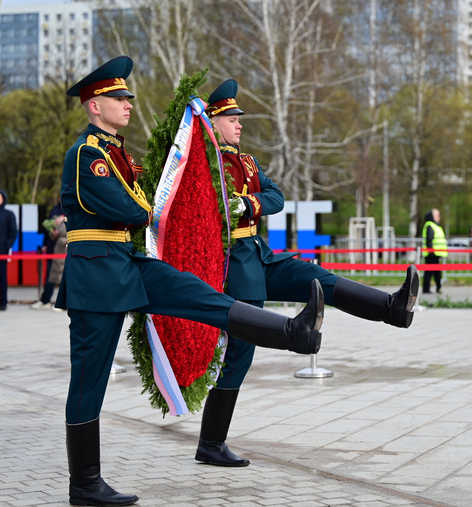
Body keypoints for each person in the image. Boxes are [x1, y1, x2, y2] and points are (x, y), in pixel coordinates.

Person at [58, 57, 325, 507]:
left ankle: (292, 333)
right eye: (118, 99)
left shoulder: (116, 152)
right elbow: (131, 208)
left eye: (128, 98)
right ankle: (84, 485)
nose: (128, 105)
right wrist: (149, 208)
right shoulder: (88, 155)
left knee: (199, 295)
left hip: (126, 260)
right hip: (96, 273)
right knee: (89, 381)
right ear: (93, 106)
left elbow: (141, 202)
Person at [194, 79, 419, 469]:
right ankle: (211, 443)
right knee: (240, 353)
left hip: (260, 253)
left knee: (320, 280)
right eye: (231, 118)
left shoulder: (246, 163)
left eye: (238, 117)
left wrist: (248, 203)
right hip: (234, 261)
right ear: (212, 123)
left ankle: (392, 307)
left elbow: (276, 197)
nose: (239, 123)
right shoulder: (203, 167)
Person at [32, 202, 65, 309]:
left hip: (64, 251)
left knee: (64, 278)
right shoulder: (55, 209)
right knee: (50, 277)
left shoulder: (74, 207)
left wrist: (64, 218)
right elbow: (48, 229)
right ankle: (45, 301)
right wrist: (45, 244)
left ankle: (63, 303)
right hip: (52, 249)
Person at [421, 209, 446, 294]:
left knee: (437, 272)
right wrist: (431, 251)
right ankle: (426, 289)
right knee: (429, 272)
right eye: (437, 215)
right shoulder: (430, 225)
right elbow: (429, 240)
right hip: (432, 253)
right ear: (432, 216)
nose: (439, 217)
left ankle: (438, 287)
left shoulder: (436, 226)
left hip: (436, 253)